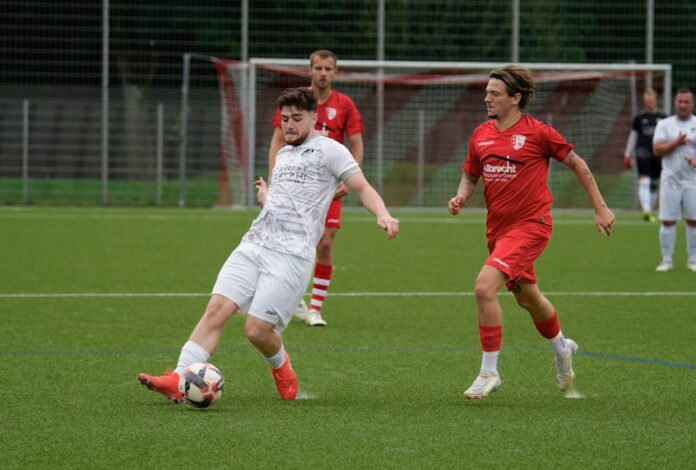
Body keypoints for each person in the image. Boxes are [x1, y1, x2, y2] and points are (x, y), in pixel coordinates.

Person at [138, 88, 398, 402]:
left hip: (292, 255)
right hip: (254, 243)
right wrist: (266, 197)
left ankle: (281, 367)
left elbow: (362, 187)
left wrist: (383, 214)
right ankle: (178, 379)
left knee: (256, 330)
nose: (289, 125)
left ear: (314, 118)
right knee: (216, 309)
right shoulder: (284, 155)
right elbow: (282, 198)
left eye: (297, 119)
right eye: (285, 119)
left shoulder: (331, 150)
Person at [447, 65, 615, 399]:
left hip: (531, 227)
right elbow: (471, 174)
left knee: (483, 288)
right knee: (528, 298)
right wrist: (462, 196)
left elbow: (578, 164)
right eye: (486, 92)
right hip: (498, 231)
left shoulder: (539, 133)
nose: (487, 98)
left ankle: (488, 371)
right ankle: (562, 348)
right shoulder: (481, 133)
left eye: (494, 93)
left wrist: (600, 206)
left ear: (516, 98)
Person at [268, 49, 364, 327]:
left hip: (329, 186)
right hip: (295, 183)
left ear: (335, 72)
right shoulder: (295, 100)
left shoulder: (344, 104)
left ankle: (315, 309)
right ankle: (287, 296)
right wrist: (275, 178)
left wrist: (349, 177)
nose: (323, 73)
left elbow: (356, 143)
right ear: (309, 70)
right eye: (318, 68)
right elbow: (277, 141)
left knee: (324, 242)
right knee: (287, 243)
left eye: (328, 69)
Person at [652, 87, 696, 273]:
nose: (683, 105)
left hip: (694, 181)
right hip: (670, 180)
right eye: (680, 101)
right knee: (668, 221)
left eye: (687, 102)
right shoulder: (664, 124)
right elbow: (657, 150)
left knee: (694, 220)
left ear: (692, 103)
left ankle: (693, 261)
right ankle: (667, 260)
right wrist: (675, 143)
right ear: (675, 103)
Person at [624, 88, 667, 222]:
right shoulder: (639, 118)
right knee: (644, 180)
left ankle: (651, 210)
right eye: (646, 100)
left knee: (654, 183)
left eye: (651, 99)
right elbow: (633, 136)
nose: (649, 102)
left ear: (655, 100)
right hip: (643, 152)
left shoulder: (664, 118)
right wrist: (628, 153)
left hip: (658, 153)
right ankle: (646, 211)